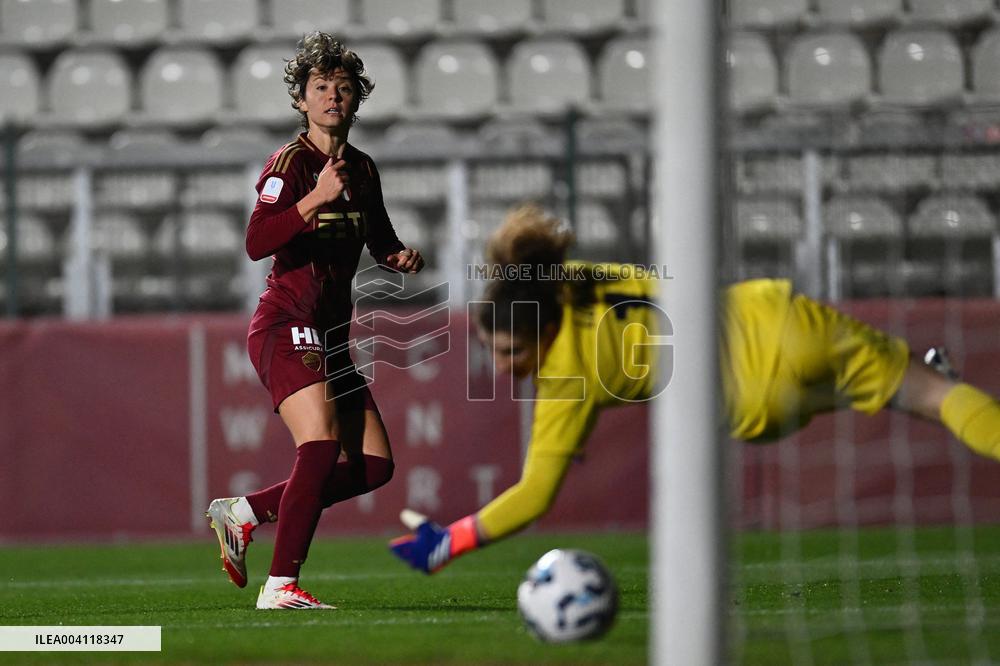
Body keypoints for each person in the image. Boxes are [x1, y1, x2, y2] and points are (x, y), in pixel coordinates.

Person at [389, 203, 1000, 574]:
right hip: (777, 322)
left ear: (545, 333)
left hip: (751, 405)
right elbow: (529, 274)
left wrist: (452, 542)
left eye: (511, 352)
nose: (501, 367)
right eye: (493, 352)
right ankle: (927, 377)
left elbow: (535, 496)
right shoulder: (568, 282)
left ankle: (916, 376)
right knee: (934, 395)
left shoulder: (566, 380)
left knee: (896, 393)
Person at [205, 32, 424, 610]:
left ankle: (245, 511)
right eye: (321, 87)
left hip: (331, 335)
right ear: (301, 99)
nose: (333, 97)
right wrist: (313, 200)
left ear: (357, 100)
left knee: (374, 465)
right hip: (285, 323)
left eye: (344, 88)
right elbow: (257, 241)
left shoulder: (364, 169)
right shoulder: (292, 164)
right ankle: (281, 587)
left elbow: (378, 236)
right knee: (321, 445)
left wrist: (398, 255)